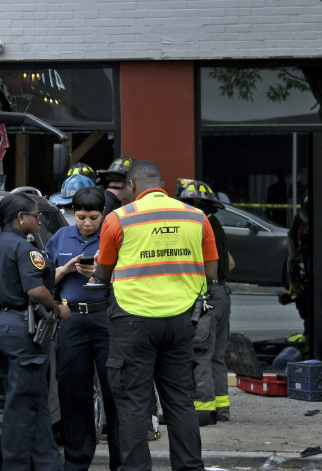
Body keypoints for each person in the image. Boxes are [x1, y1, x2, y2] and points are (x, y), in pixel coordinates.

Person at [90, 160, 218, 471]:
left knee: (133, 403)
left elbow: (103, 273)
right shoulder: (196, 217)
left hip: (133, 321)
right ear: (161, 183)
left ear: (132, 186)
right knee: (180, 402)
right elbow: (211, 271)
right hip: (181, 321)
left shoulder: (118, 219)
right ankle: (189, 467)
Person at [0, 193, 71, 471]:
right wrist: (59, 308)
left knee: (33, 398)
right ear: (21, 218)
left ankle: (48, 463)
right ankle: (14, 465)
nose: (38, 221)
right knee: (20, 404)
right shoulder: (26, 249)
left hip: (1, 327)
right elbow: (36, 291)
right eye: (36, 216)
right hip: (22, 330)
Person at [44, 186, 121, 471]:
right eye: (80, 217)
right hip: (72, 320)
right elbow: (40, 278)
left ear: (104, 215)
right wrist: (65, 269)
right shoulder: (61, 236)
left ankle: (121, 460)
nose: (86, 223)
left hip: (106, 318)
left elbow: (127, 278)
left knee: (115, 391)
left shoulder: (112, 236)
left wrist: (102, 271)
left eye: (93, 217)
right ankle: (77, 460)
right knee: (74, 392)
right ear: (72, 214)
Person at [176, 179, 234, 425]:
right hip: (222, 294)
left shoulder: (197, 227)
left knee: (200, 353)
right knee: (217, 356)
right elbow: (230, 264)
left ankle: (203, 411)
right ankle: (221, 408)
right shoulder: (215, 225)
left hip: (205, 296)